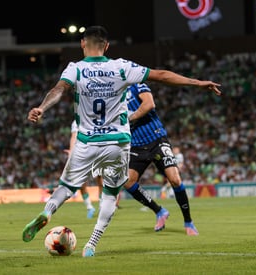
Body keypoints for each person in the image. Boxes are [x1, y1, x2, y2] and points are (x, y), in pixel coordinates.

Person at [22, 25, 221, 257]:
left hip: (87, 141)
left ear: (82, 44)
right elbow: (162, 75)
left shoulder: (75, 69)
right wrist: (198, 83)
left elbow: (59, 89)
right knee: (110, 192)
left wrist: (41, 107)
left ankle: (48, 212)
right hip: (117, 143)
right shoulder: (121, 67)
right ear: (106, 46)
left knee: (66, 187)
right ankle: (92, 244)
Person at [123, 83, 199, 235]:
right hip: (136, 145)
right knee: (128, 182)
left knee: (175, 180)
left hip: (157, 139)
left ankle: (188, 222)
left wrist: (128, 118)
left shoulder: (136, 84)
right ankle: (159, 211)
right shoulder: (112, 97)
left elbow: (149, 104)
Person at [64, 120, 103, 219]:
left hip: (97, 152)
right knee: (81, 184)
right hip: (82, 154)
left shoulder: (97, 118)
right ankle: (90, 207)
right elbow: (74, 137)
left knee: (101, 181)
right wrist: (71, 152)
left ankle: (102, 206)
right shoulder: (76, 122)